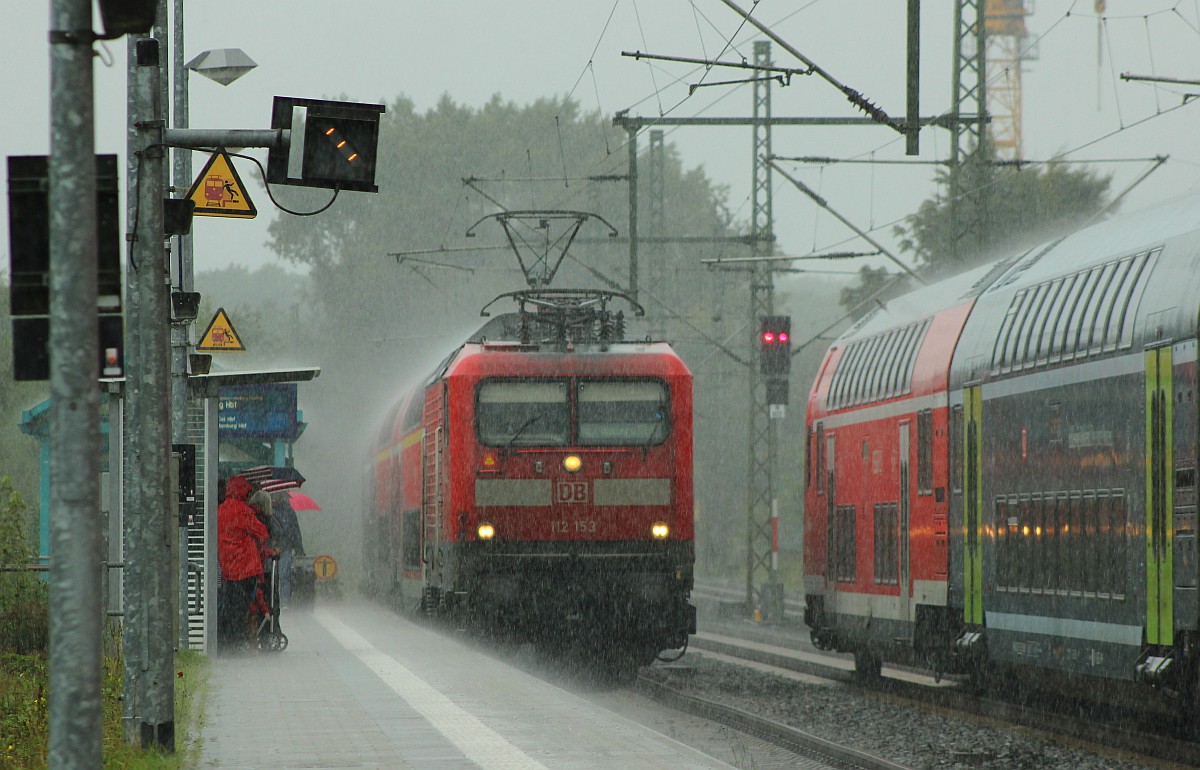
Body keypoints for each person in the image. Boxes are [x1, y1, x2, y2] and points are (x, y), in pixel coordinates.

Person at [217, 476, 268, 651]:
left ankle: (227, 641)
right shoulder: (243, 511)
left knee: (229, 606)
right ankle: (237, 643)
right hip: (246, 569)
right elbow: (262, 532)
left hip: (227, 568)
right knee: (242, 608)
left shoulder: (219, 510)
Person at [269, 490, 306, 608]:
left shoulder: (283, 511)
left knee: (282, 575)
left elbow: (295, 530)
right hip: (277, 547)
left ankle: (282, 601)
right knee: (280, 575)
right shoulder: (284, 511)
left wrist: (299, 547)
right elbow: (295, 530)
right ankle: (279, 601)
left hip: (279, 547)